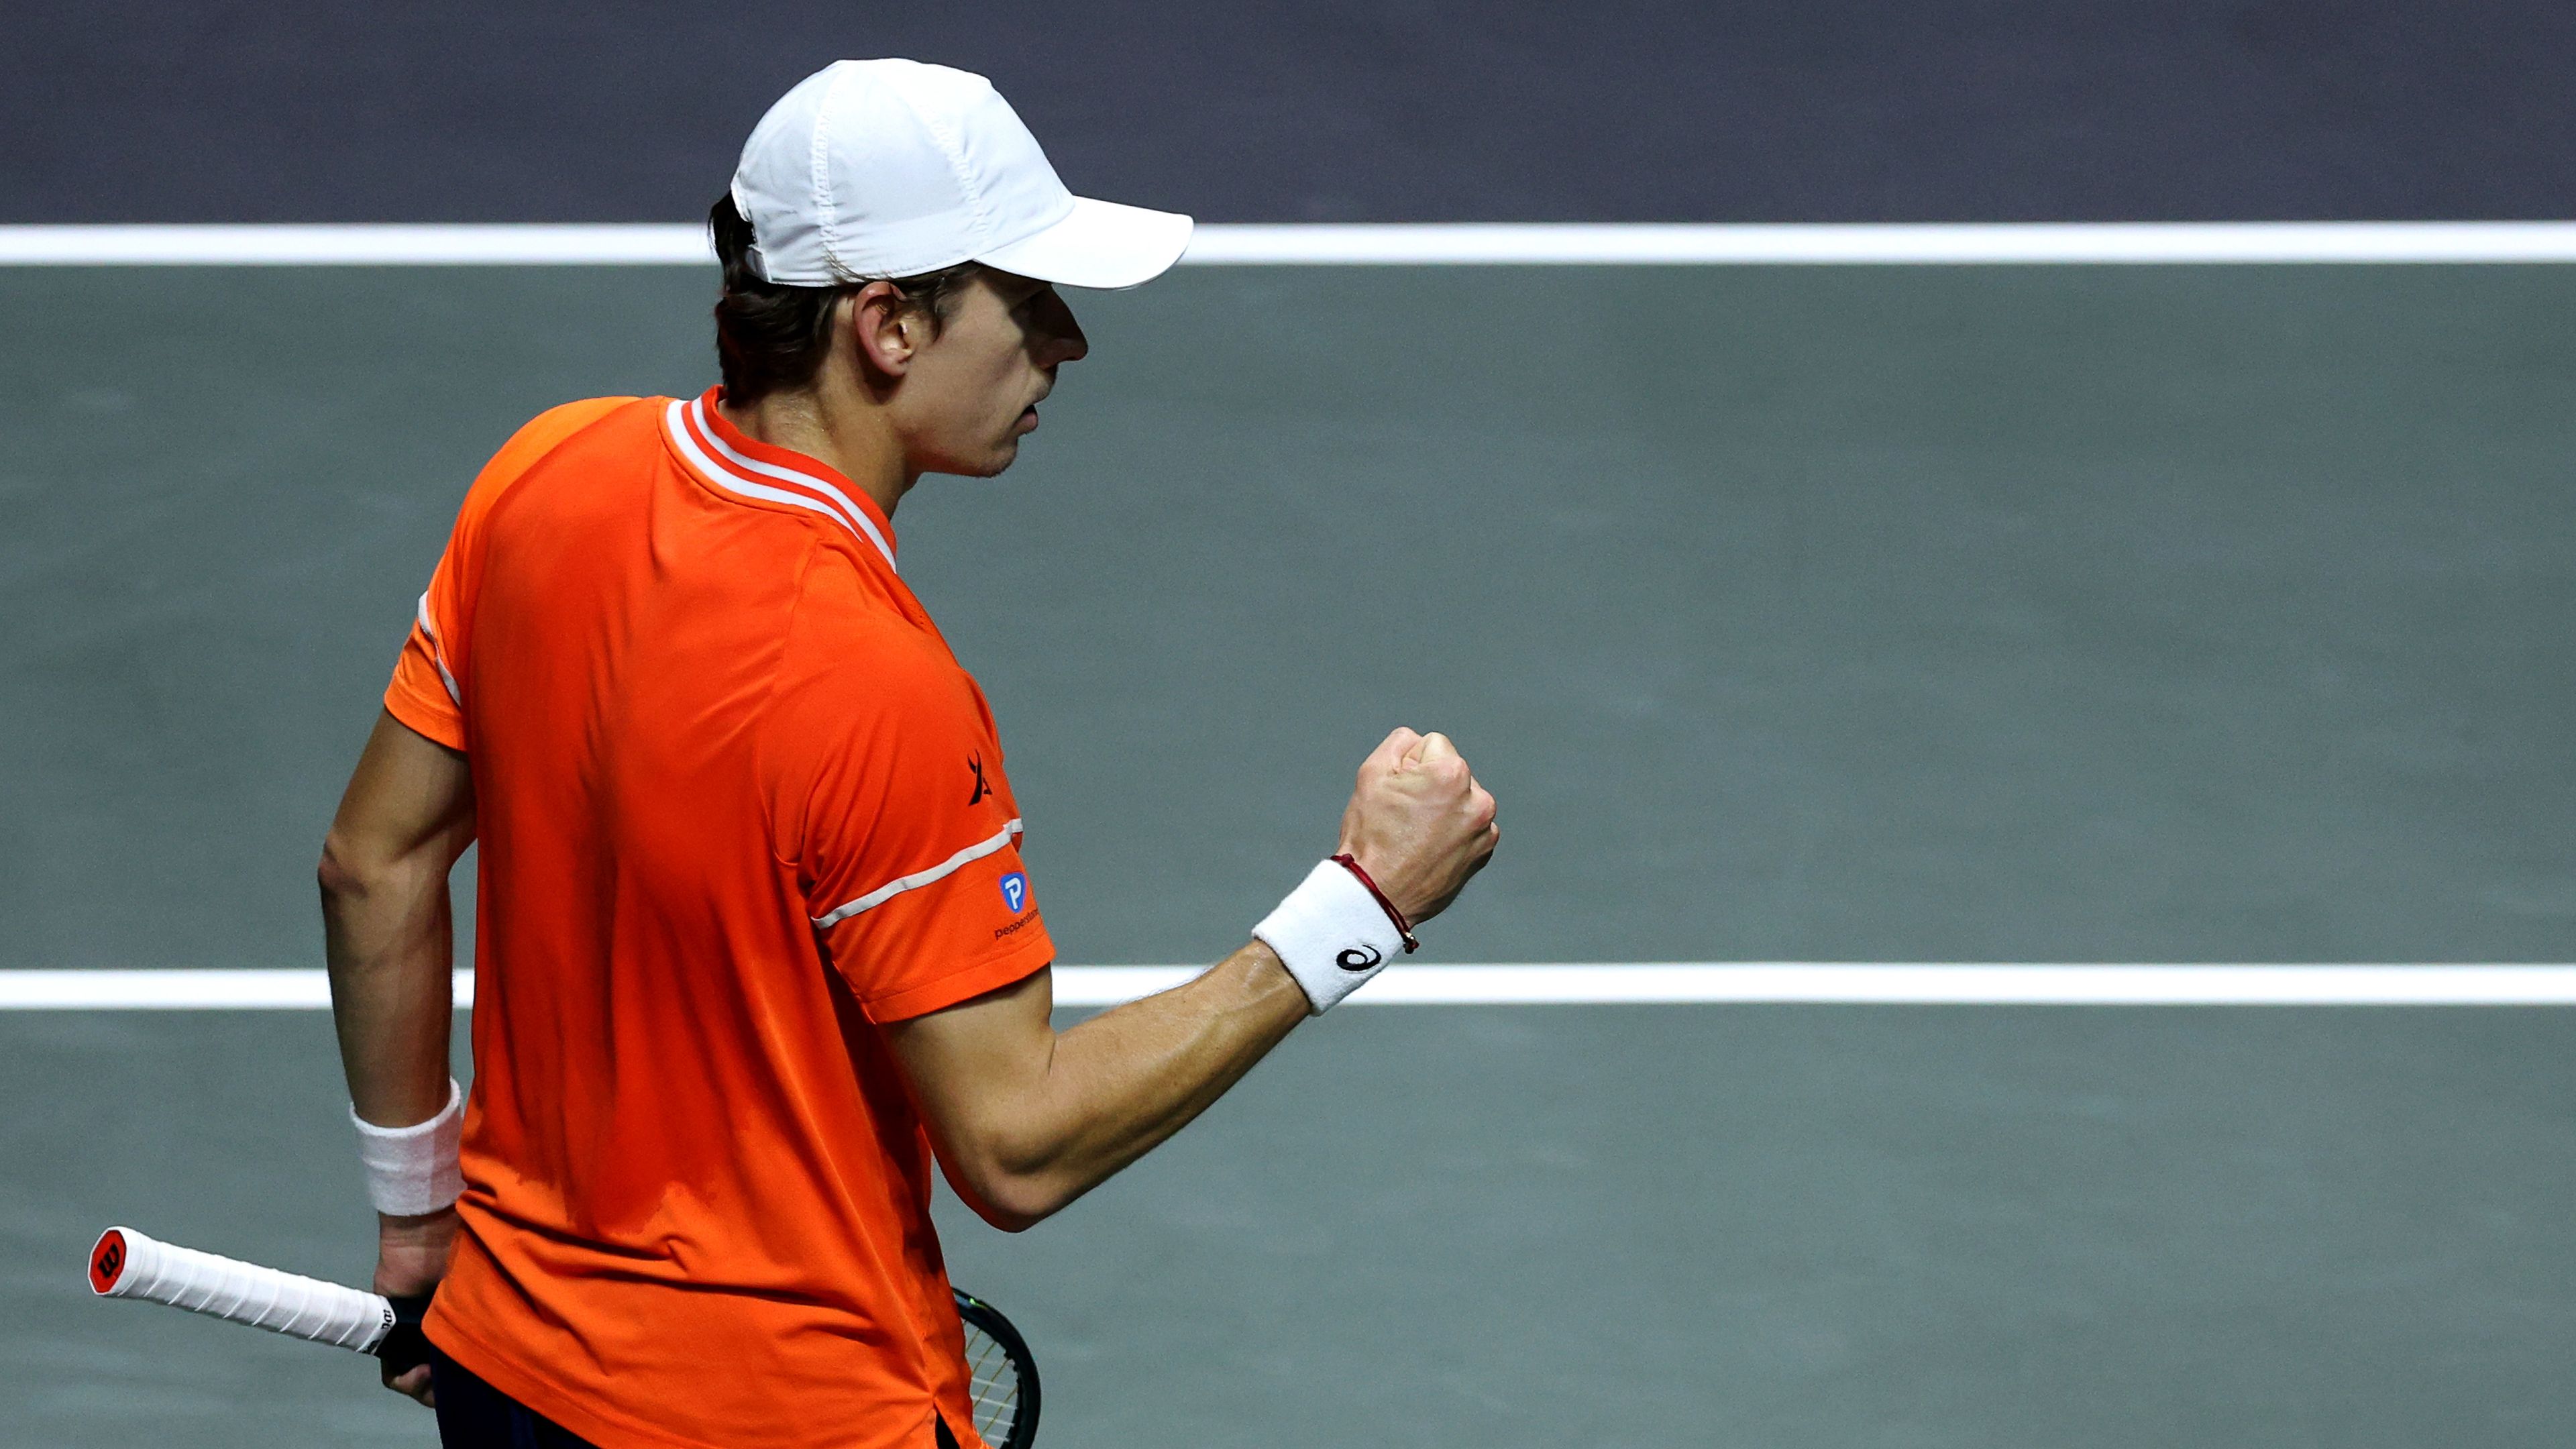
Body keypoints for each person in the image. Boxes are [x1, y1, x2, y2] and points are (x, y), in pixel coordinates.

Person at [318, 58, 1498, 1449]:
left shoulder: (542, 476)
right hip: (792, 1416)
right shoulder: (873, 683)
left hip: (510, 1375)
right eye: (1025, 299)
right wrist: (1356, 909)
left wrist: (416, 1212)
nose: (1065, 342)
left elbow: (373, 864)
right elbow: (1015, 1143)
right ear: (886, 323)